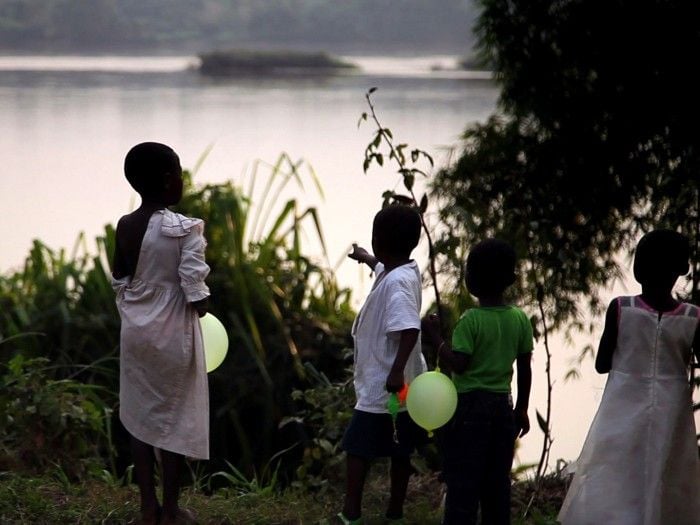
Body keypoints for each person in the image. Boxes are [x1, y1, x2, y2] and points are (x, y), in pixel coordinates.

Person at [558, 230, 700, 525]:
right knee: (666, 472)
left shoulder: (622, 308)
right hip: (671, 409)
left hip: (621, 407)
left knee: (617, 472)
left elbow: (601, 363)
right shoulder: (691, 317)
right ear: (680, 270)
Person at [112, 142, 210, 525]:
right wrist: (201, 306)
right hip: (173, 334)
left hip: (135, 332)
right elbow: (193, 286)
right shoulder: (185, 229)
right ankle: (171, 510)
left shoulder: (125, 225)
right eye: (181, 173)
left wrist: (138, 308)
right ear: (170, 181)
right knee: (174, 417)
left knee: (140, 417)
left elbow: (120, 277)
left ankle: (146, 508)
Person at [423, 238, 533, 525]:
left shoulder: (470, 321)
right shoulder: (520, 319)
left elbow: (459, 364)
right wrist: (521, 408)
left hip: (469, 410)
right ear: (510, 279)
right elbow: (524, 369)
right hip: (503, 408)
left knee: (463, 481)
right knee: (497, 482)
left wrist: (436, 338)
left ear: (470, 279)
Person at [336, 204, 428, 525]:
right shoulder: (402, 270)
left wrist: (395, 371)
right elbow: (382, 269)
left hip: (384, 384)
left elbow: (409, 328)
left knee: (357, 448)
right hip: (403, 384)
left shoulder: (396, 284)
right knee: (400, 448)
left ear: (380, 240)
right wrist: (365, 258)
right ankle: (395, 511)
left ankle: (351, 512)